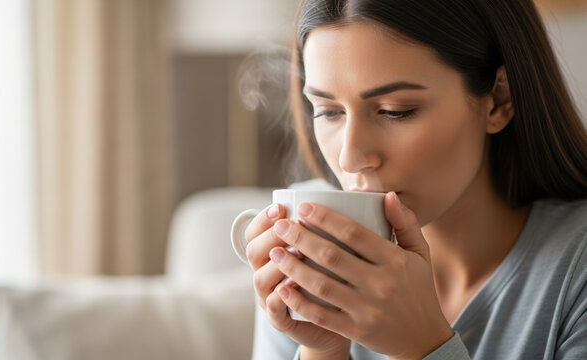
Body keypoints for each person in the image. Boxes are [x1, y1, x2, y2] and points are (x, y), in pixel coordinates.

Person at [243, 0, 587, 359]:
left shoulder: (576, 272)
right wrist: (323, 348)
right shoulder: (300, 242)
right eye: (329, 112)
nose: (350, 158)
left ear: (499, 99)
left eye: (396, 111)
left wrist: (424, 347)